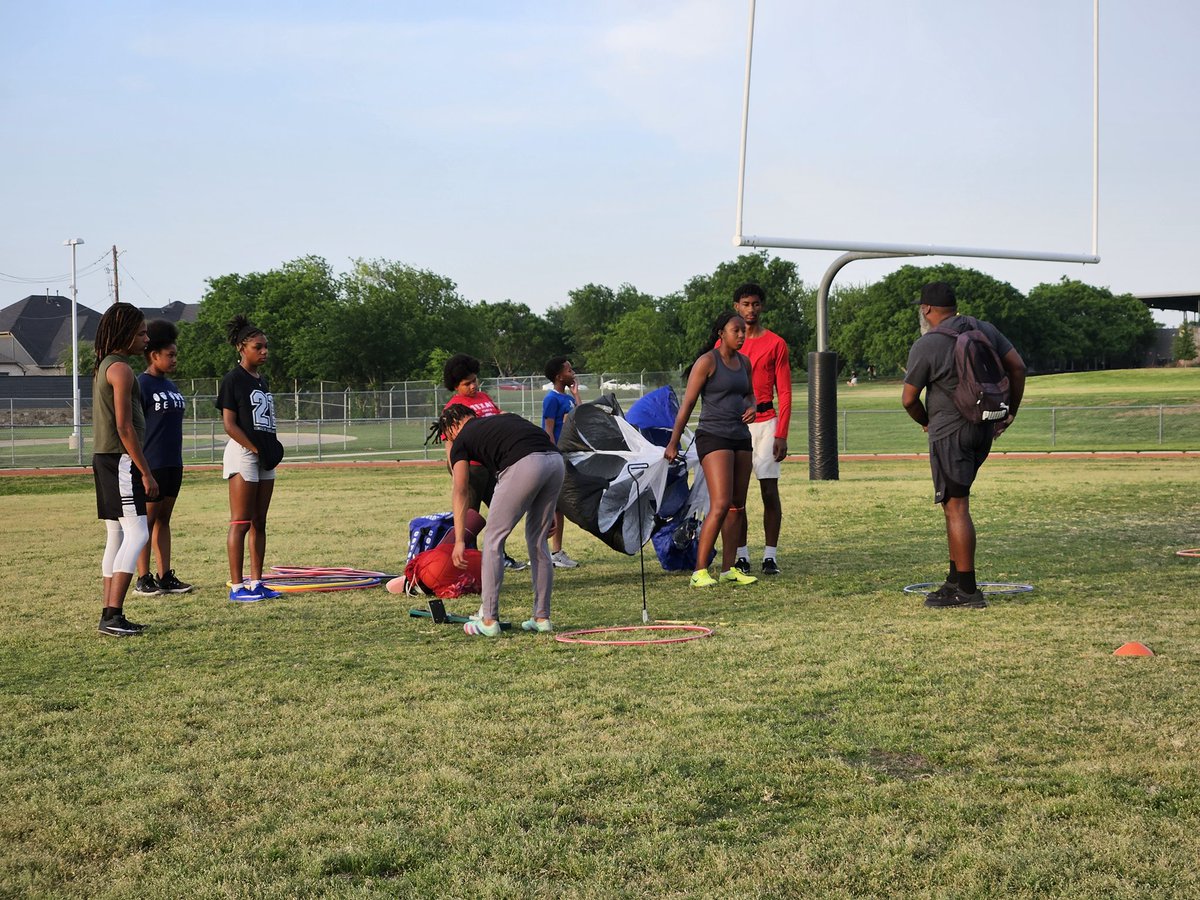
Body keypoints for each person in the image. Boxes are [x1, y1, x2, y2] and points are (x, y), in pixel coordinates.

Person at [902, 281, 1026, 609]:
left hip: (950, 432)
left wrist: (925, 420)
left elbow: (908, 399)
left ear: (927, 309)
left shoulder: (928, 344)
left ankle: (968, 590)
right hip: (983, 427)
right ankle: (955, 579)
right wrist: (1010, 411)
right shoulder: (983, 328)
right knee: (953, 504)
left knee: (957, 506)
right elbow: (1018, 366)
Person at [434, 404, 565, 637]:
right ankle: (542, 617)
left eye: (447, 435)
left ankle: (488, 620)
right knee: (538, 542)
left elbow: (460, 490)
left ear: (452, 427)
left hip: (524, 464)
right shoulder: (501, 420)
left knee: (494, 540)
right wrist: (550, 509)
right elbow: (540, 445)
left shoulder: (461, 439)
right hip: (555, 462)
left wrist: (460, 540)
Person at [665, 310, 759, 588]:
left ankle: (729, 569)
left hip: (740, 436)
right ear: (721, 334)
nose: (741, 335)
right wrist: (673, 441)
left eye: (743, 331)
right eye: (736, 330)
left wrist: (752, 406)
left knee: (737, 506)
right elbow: (688, 405)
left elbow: (749, 393)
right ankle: (700, 571)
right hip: (713, 437)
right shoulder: (707, 362)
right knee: (719, 504)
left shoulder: (744, 363)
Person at [91, 302, 159, 636]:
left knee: (116, 535)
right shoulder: (120, 369)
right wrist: (145, 471)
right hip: (120, 459)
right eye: (141, 333)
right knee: (138, 533)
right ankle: (112, 614)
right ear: (125, 334)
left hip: (105, 458)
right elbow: (124, 426)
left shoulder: (107, 365)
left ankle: (110, 613)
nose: (146, 339)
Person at [216, 315, 285, 603]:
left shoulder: (263, 379)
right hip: (243, 453)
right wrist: (255, 449)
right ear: (242, 348)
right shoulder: (233, 379)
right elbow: (229, 425)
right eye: (258, 347)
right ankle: (236, 587)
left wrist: (268, 449)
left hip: (263, 453)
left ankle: (257, 582)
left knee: (260, 521)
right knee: (240, 522)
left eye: (266, 346)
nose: (264, 351)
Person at [441, 353, 526, 571]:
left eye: (474, 380)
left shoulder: (484, 398)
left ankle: (500, 556)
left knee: (501, 514)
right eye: (466, 383)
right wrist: (455, 470)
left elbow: (496, 418)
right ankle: (470, 562)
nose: (472, 386)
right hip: (471, 469)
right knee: (470, 519)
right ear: (455, 385)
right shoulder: (453, 407)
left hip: (491, 467)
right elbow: (449, 442)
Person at [730, 283, 792, 576]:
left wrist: (782, 433)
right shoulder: (727, 343)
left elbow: (786, 392)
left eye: (755, 304)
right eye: (745, 304)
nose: (750, 309)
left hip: (767, 422)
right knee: (736, 496)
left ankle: (770, 555)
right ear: (736, 307)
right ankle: (741, 555)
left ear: (761, 306)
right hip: (737, 426)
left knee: (769, 489)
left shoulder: (776, 343)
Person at [133, 319, 192, 596]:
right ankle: (143, 578)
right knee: (146, 521)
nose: (174, 359)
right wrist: (142, 468)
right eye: (170, 354)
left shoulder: (171, 385)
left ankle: (165, 575)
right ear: (153, 355)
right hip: (152, 463)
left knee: (164, 520)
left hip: (173, 463)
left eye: (175, 354)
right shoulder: (141, 384)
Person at [542, 355, 580, 568]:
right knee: (552, 505)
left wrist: (576, 395)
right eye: (569, 370)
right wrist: (553, 455)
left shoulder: (567, 398)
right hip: (556, 456)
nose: (572, 373)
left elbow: (579, 416)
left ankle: (556, 552)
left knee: (559, 506)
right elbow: (548, 430)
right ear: (559, 376)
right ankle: (546, 552)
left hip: (568, 455)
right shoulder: (551, 399)